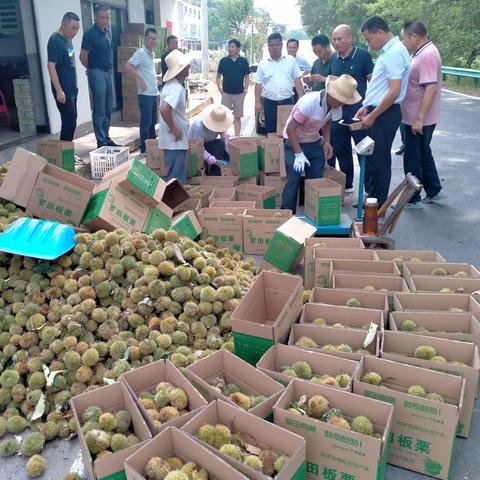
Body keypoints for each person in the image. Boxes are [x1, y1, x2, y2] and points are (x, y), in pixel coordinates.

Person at [281, 74, 361, 212]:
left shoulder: (336, 107)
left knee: (316, 181)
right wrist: (298, 153)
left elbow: (328, 122)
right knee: (293, 180)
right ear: (331, 94)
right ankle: (287, 214)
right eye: (341, 100)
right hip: (294, 142)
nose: (342, 104)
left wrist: (327, 142)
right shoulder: (309, 103)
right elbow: (290, 128)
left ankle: (313, 213)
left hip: (314, 142)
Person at [356, 16, 410, 206]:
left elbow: (394, 91)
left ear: (379, 32)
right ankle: (371, 199)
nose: (368, 44)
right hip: (378, 110)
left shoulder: (394, 52)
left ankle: (378, 206)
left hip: (385, 114)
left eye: (369, 39)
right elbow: (381, 87)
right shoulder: (389, 51)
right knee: (371, 157)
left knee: (379, 160)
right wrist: (366, 106)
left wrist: (372, 114)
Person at [400, 20, 445, 207]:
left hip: (418, 119)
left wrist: (419, 118)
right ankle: (435, 189)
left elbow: (430, 88)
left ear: (414, 36)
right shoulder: (420, 52)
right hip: (415, 116)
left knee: (413, 157)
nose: (403, 42)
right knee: (423, 153)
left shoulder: (427, 55)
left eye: (404, 39)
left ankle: (413, 198)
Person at [329, 24, 374, 193]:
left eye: (339, 39)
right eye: (334, 39)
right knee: (341, 150)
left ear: (350, 38)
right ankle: (347, 184)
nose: (336, 42)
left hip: (358, 112)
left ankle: (369, 188)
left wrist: (369, 107)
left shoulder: (363, 56)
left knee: (364, 150)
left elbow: (373, 82)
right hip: (338, 113)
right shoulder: (334, 58)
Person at [80, 4, 119, 148]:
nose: (105, 20)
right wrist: (91, 69)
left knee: (108, 108)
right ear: (95, 17)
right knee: (99, 109)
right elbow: (82, 56)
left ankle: (106, 137)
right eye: (102, 17)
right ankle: (101, 141)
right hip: (97, 72)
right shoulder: (90, 34)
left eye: (107, 17)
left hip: (108, 73)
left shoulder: (107, 32)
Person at [255, 32, 304, 134]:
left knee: (289, 133)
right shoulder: (263, 64)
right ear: (268, 47)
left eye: (276, 45)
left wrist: (301, 97)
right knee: (271, 132)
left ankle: (288, 150)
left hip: (287, 103)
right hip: (270, 104)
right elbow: (258, 84)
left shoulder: (290, 61)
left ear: (281, 45)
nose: (274, 48)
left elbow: (297, 79)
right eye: (271, 45)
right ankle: (273, 150)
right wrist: (257, 102)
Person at [47, 12, 80, 144]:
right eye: (73, 28)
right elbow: (51, 66)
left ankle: (67, 151)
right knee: (69, 120)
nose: (75, 31)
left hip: (71, 88)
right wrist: (59, 90)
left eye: (77, 28)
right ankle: (64, 152)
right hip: (63, 89)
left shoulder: (68, 40)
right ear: (63, 25)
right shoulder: (56, 40)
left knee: (72, 120)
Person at [158, 50, 191, 184]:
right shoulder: (175, 88)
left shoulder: (170, 85)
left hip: (173, 140)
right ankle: (172, 203)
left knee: (174, 175)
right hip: (175, 141)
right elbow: (164, 109)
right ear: (181, 69)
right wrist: (174, 129)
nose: (189, 67)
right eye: (186, 65)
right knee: (175, 179)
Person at [125, 28, 159, 155]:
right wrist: (141, 79)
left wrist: (155, 80)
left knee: (153, 122)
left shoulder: (151, 53)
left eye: (154, 38)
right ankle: (144, 149)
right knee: (146, 122)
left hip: (153, 92)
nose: (152, 41)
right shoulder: (140, 53)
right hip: (144, 94)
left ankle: (152, 146)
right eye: (150, 38)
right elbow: (128, 66)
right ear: (145, 39)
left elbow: (149, 71)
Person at [216, 38, 250, 137]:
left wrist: (246, 89)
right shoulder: (223, 61)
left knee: (237, 117)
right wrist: (219, 87)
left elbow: (247, 76)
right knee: (224, 116)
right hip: (226, 93)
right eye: (229, 47)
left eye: (232, 47)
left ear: (238, 49)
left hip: (239, 94)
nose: (230, 49)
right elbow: (218, 75)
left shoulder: (243, 61)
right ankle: (224, 138)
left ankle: (237, 137)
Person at [189, 104, 234, 176]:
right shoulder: (199, 127)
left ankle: (227, 171)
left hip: (208, 145)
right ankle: (214, 174)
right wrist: (214, 160)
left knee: (224, 145)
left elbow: (225, 139)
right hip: (194, 150)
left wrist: (232, 155)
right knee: (219, 144)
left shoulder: (220, 123)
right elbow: (198, 148)